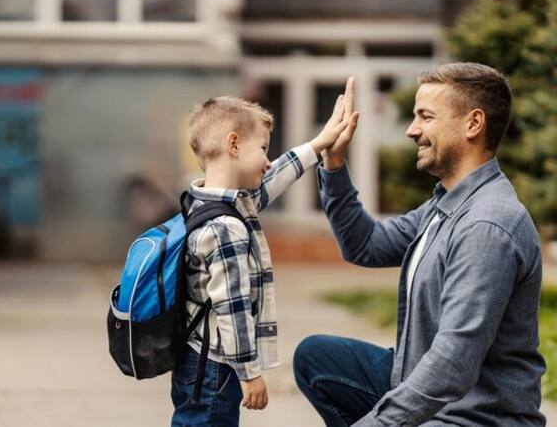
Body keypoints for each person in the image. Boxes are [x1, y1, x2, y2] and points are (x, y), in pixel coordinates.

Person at [294, 63, 546, 426]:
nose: (412, 130)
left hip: (473, 416)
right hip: (430, 389)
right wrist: (333, 166)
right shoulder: (448, 204)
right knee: (316, 358)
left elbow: (453, 364)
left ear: (473, 124)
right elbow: (365, 244)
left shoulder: (487, 225)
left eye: (425, 117)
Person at [171, 95, 358, 426]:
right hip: (218, 367)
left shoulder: (203, 202)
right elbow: (233, 307)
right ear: (234, 145)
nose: (268, 161)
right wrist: (249, 373)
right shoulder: (226, 227)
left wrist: (317, 145)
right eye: (263, 149)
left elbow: (273, 181)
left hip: (196, 359)